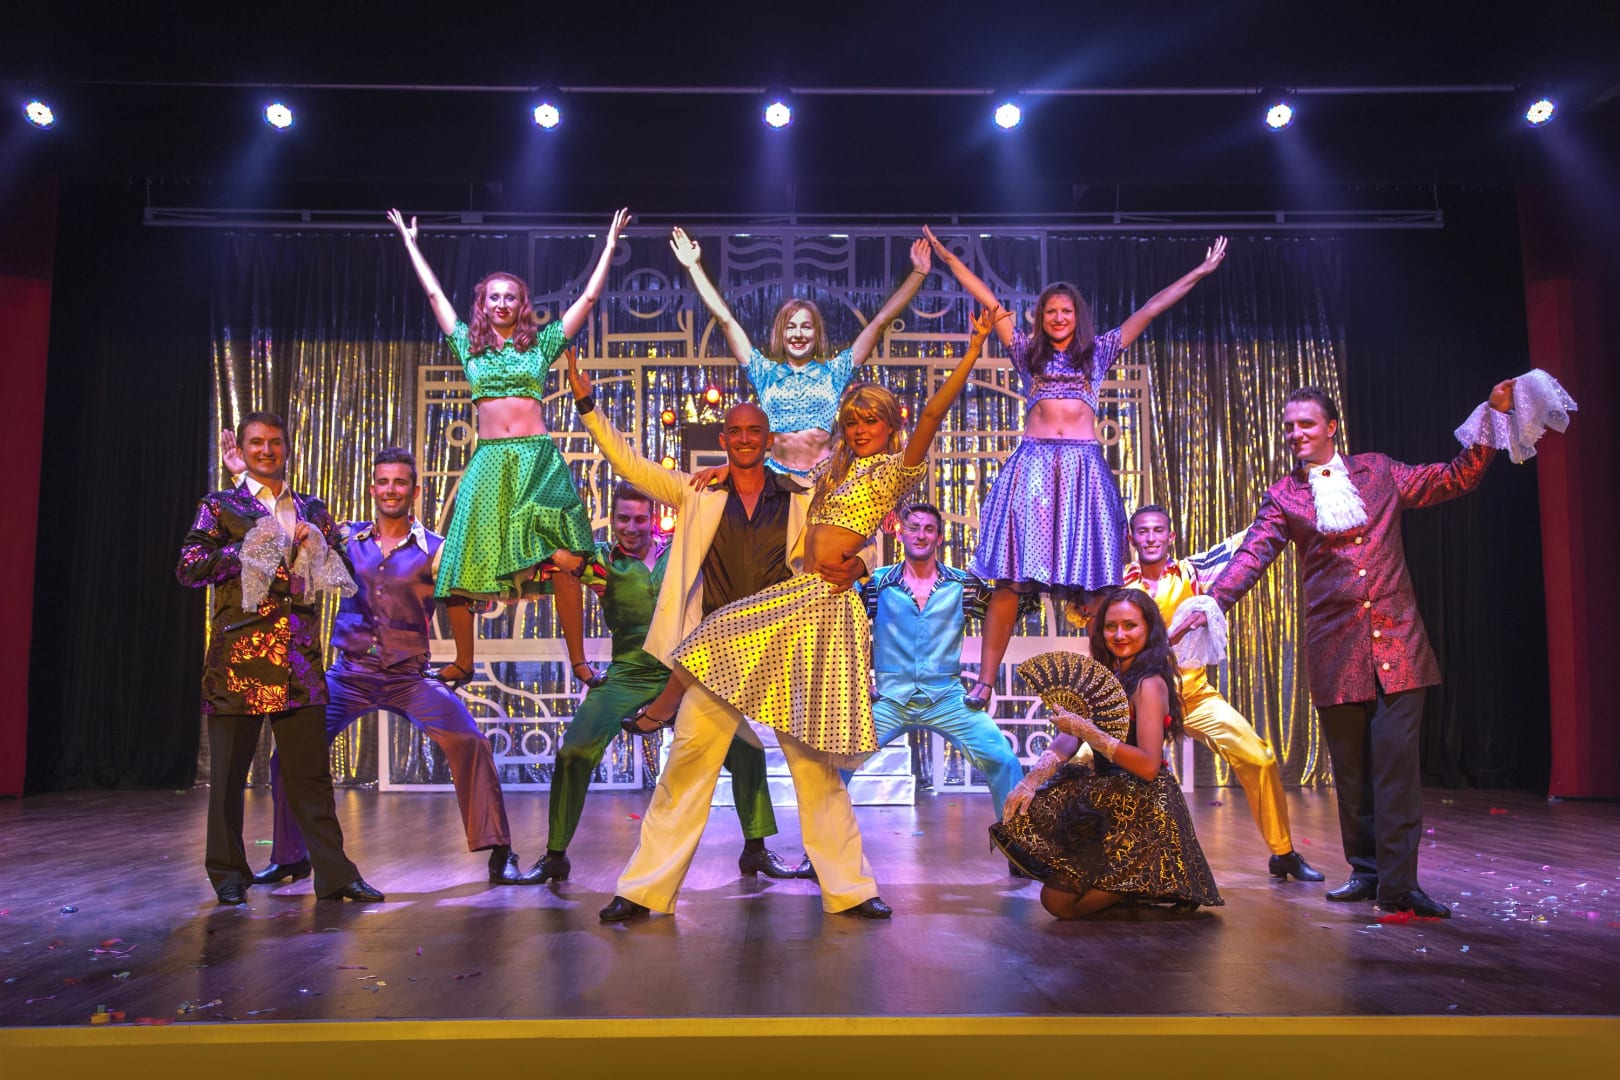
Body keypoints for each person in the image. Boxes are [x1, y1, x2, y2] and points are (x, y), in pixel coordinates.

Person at [577, 311, 991, 923]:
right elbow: (632, 467)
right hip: (723, 650)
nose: (745, 440)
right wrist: (588, 408)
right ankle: (642, 890)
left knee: (814, 767)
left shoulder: (804, 490)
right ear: (724, 439)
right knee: (688, 763)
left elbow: (850, 534)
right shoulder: (702, 490)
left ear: (770, 440)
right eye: (735, 432)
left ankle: (850, 888)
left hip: (796, 636)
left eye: (755, 432)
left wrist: (859, 565)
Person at [1180, 381, 1517, 917]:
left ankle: (1399, 885)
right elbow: (1252, 555)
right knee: (1354, 773)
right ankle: (1366, 872)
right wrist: (1212, 602)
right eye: (1289, 426)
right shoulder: (1285, 495)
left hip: (1399, 645)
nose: (1295, 434)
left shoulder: (1378, 471)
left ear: (1331, 427)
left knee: (1396, 769)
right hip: (1335, 650)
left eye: (1305, 424)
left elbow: (1453, 478)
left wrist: (1493, 419)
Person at [922, 226, 1228, 710]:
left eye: (1066, 311)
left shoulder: (1098, 352)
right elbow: (988, 299)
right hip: (1034, 470)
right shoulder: (1026, 351)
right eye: (1050, 311)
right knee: (1010, 579)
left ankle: (1111, 684)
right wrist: (946, 256)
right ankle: (984, 680)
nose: (1058, 317)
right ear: (1040, 317)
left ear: (1077, 316)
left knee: (1099, 588)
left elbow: (1150, 309)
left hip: (1083, 473)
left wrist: (1201, 271)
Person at [251, 448, 530, 886]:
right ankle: (290, 856)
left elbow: (466, 599)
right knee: (288, 754)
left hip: (407, 677)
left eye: (400, 482)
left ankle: (499, 851)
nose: (391, 490)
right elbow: (291, 531)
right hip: (349, 675)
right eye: (383, 482)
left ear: (415, 491)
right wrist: (252, 482)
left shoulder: (435, 549)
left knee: (470, 741)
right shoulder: (347, 538)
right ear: (373, 488)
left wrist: (466, 655)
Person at [387, 206, 630, 692]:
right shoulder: (468, 346)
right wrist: (411, 244)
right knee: (458, 563)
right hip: (490, 463)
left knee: (565, 560)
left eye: (511, 297)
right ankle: (463, 662)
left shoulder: (541, 345)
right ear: (483, 303)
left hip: (537, 461)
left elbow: (588, 297)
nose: (502, 303)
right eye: (494, 296)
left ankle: (580, 663)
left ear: (523, 305)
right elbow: (434, 295)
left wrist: (608, 246)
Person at [530, 480, 804, 884]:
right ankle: (555, 854)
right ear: (613, 519)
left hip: (688, 673)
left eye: (640, 519)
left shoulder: (680, 553)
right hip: (629, 673)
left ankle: (755, 850)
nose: (631, 527)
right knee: (573, 752)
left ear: (654, 519)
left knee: (748, 749)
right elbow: (554, 570)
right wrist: (580, 663)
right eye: (623, 518)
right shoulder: (603, 561)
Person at [176, 411, 383, 905]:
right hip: (239, 660)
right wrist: (248, 549)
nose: (266, 450)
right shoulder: (222, 505)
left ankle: (335, 875)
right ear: (244, 450)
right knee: (228, 778)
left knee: (311, 777)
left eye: (274, 442)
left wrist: (318, 546)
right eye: (256, 443)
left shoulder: (311, 506)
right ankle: (228, 873)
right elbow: (189, 567)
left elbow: (345, 571)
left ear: (287, 448)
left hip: (298, 662)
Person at [1120, 504, 1323, 882]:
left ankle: (1283, 852)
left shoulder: (1192, 572)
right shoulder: (1117, 583)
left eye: (1158, 530)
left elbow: (1247, 541)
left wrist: (1294, 506)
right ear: (1131, 538)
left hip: (1192, 695)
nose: (1150, 538)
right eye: (1142, 532)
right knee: (1083, 759)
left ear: (1170, 536)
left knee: (1259, 757)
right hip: (1136, 701)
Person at [991, 590, 1223, 918]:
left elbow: (1148, 766)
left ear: (1149, 630)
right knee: (1054, 898)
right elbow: (1067, 740)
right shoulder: (1110, 678)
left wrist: (1089, 732)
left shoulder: (1149, 684)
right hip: (1106, 802)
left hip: (1144, 807)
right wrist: (1031, 781)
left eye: (1130, 625)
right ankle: (1137, 886)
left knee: (1059, 904)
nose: (1119, 635)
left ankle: (1143, 879)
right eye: (1110, 626)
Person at [669, 227, 932, 475]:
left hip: (822, 479)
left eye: (806, 327)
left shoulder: (834, 373)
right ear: (781, 334)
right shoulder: (765, 373)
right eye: (791, 327)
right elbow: (725, 320)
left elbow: (880, 322)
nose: (798, 334)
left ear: (816, 334)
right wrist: (694, 267)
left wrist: (918, 273)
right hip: (776, 480)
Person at [849, 502, 1024, 826]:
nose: (921, 535)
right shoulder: (877, 584)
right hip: (890, 698)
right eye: (914, 528)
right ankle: (823, 848)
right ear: (901, 534)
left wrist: (985, 682)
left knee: (1002, 758)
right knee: (836, 765)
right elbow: (845, 626)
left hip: (946, 697)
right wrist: (860, 679)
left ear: (939, 538)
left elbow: (1004, 612)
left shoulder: (963, 585)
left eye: (929, 529)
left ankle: (1019, 842)